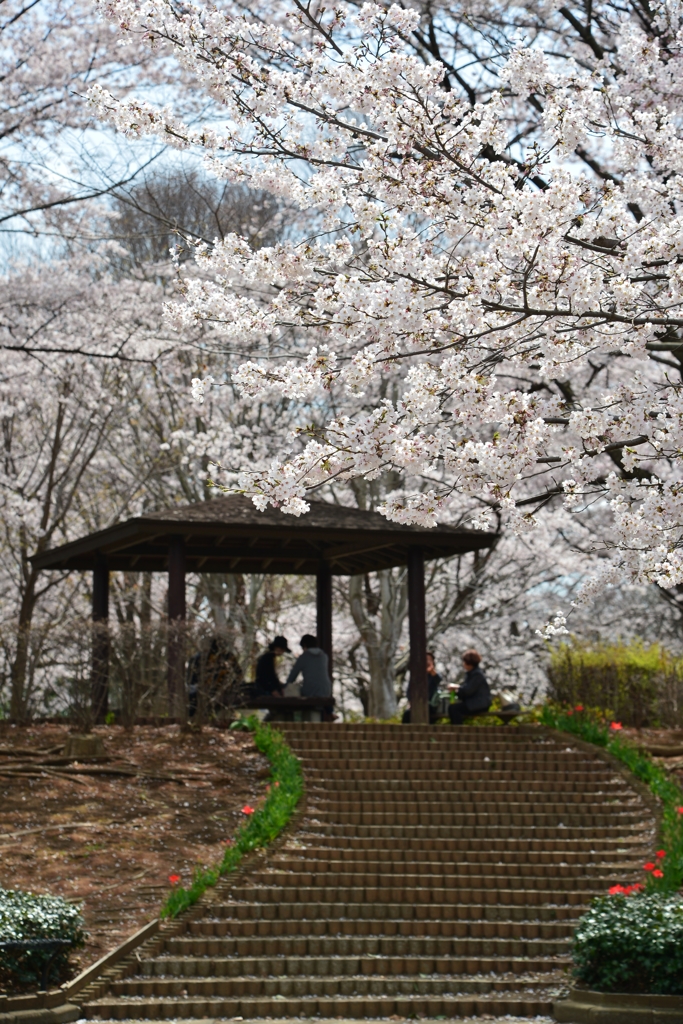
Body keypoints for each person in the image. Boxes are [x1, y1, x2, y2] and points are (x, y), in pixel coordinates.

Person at [448, 649, 491, 725]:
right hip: (474, 703)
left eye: (465, 662)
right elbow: (465, 692)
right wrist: (457, 691)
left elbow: (468, 690)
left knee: (454, 709)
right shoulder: (472, 674)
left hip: (479, 704)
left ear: (469, 663)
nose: (463, 664)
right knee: (453, 708)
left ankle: (458, 730)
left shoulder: (477, 675)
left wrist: (456, 687)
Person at [402, 652, 442, 724]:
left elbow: (438, 679)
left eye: (430, 659)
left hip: (430, 705)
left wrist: (431, 670)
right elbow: (409, 691)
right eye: (425, 659)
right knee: (407, 714)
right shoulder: (416, 675)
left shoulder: (434, 674)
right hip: (416, 704)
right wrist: (411, 702)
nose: (427, 661)